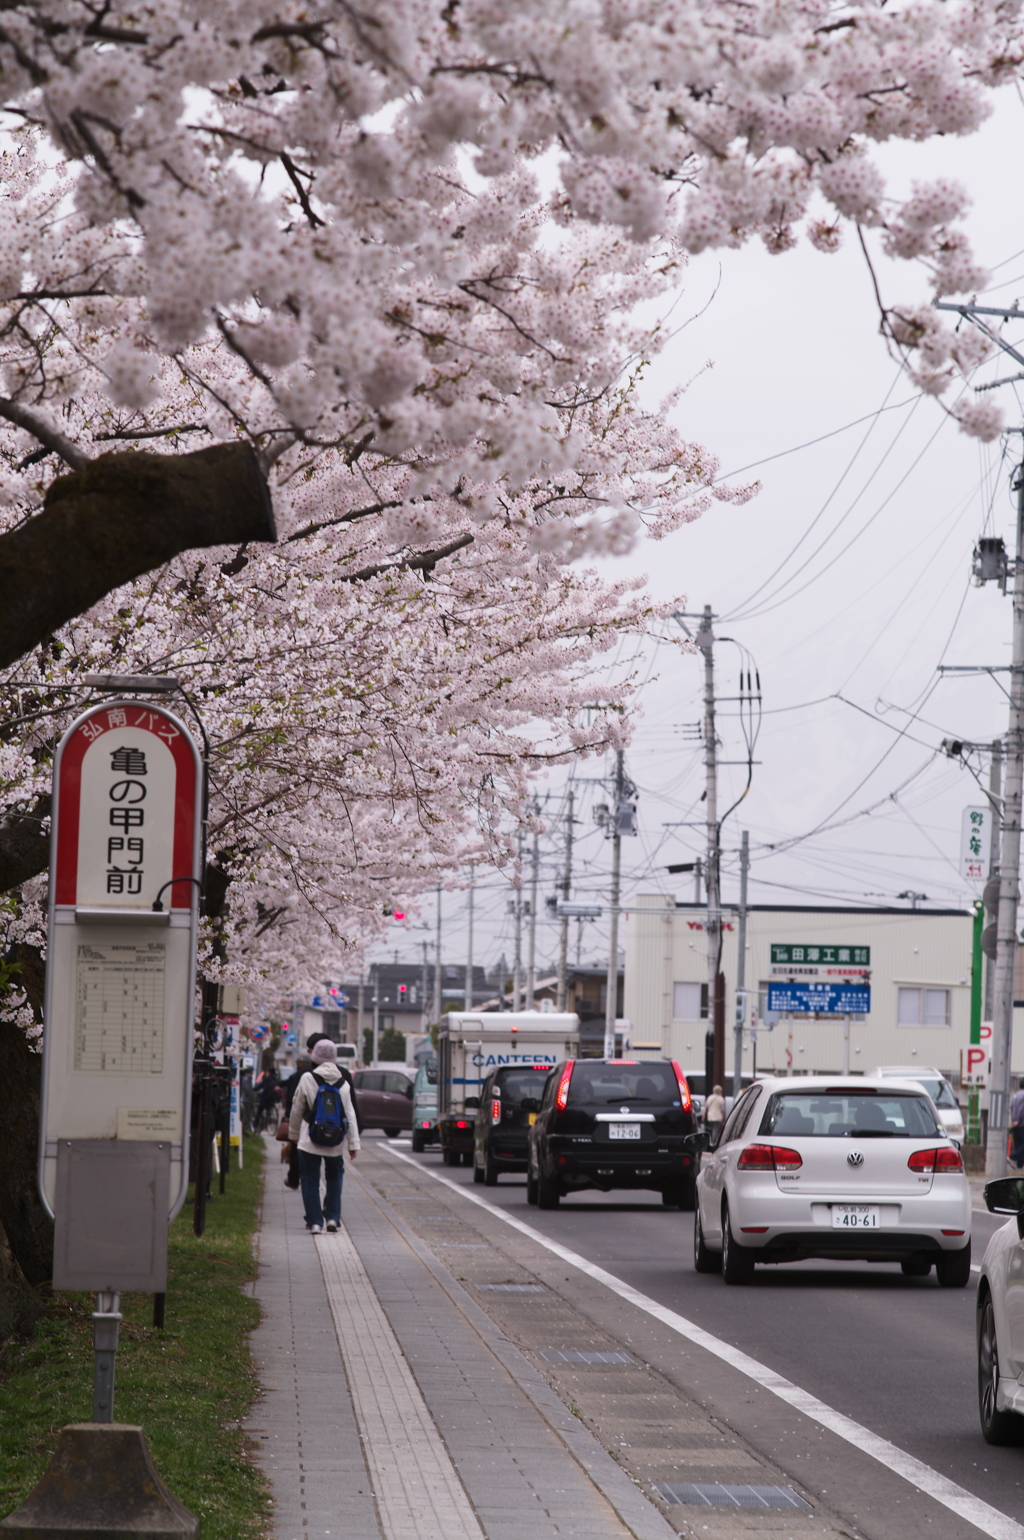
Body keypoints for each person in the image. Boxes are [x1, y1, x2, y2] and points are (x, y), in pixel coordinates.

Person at [288, 1039, 360, 1233]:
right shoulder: (343, 1083)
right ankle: (332, 1218)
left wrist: (294, 1134)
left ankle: (315, 1222)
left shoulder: (307, 1079)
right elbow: (350, 1114)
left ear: (314, 1058)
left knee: (310, 1178)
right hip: (335, 1141)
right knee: (335, 1176)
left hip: (309, 1138)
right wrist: (353, 1143)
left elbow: (297, 1109)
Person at [281, 1051, 313, 1190]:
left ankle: (294, 1179)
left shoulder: (297, 1076)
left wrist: (288, 1117)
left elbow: (291, 1100)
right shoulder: (315, 1073)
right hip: (313, 1119)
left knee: (295, 1149)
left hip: (299, 1119)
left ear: (301, 1063)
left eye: (297, 1062)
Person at [1010, 1077, 1024, 1170]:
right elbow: (1022, 1110)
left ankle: (1019, 1166)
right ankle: (1013, 1157)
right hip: (1022, 1123)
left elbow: (1011, 1107)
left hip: (1014, 1124)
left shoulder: (1015, 1095)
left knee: (1019, 1144)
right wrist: (1018, 1120)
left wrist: (1013, 1121)